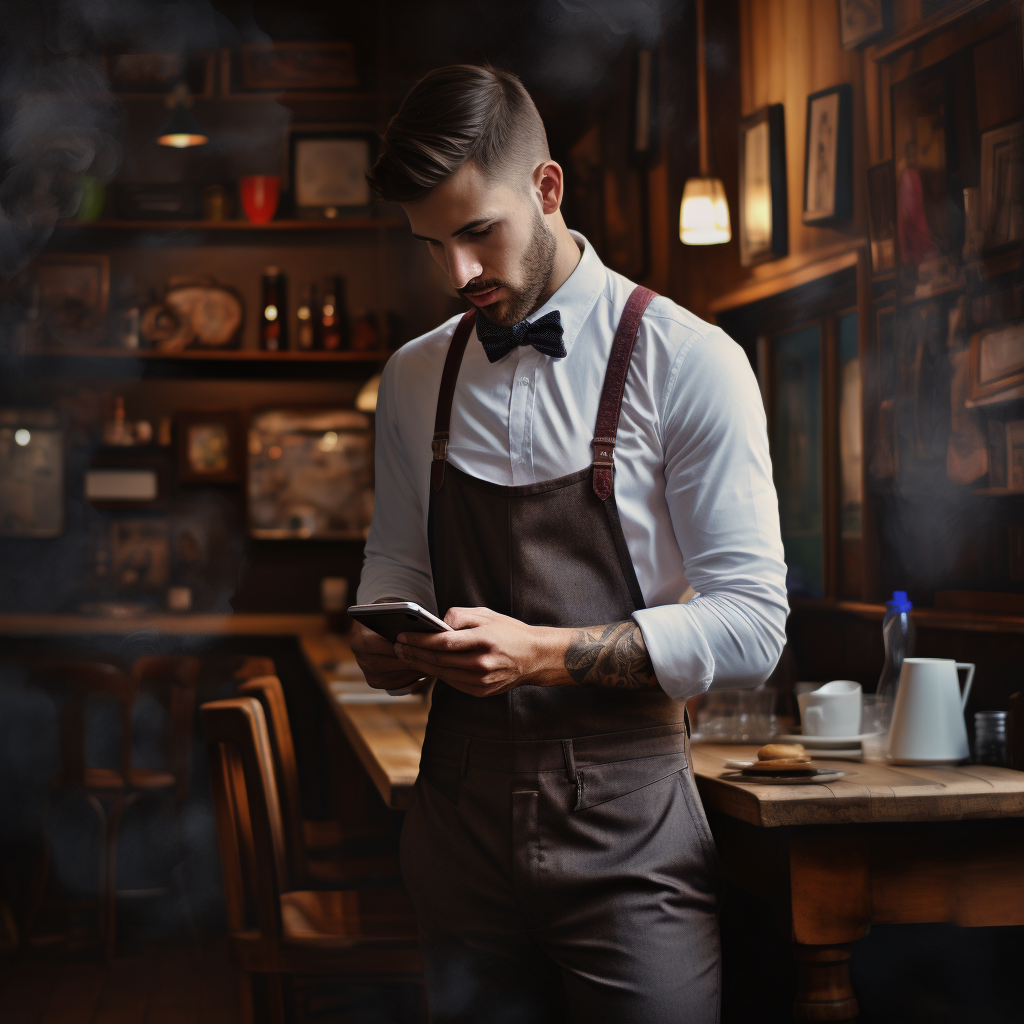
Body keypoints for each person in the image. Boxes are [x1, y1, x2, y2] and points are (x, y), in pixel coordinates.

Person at [351, 64, 788, 1024]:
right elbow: (394, 566)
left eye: (477, 232)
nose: (457, 275)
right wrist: (384, 643)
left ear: (547, 190)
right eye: (432, 244)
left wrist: (542, 654)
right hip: (454, 817)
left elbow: (755, 626)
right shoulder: (414, 377)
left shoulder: (693, 361)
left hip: (630, 828)